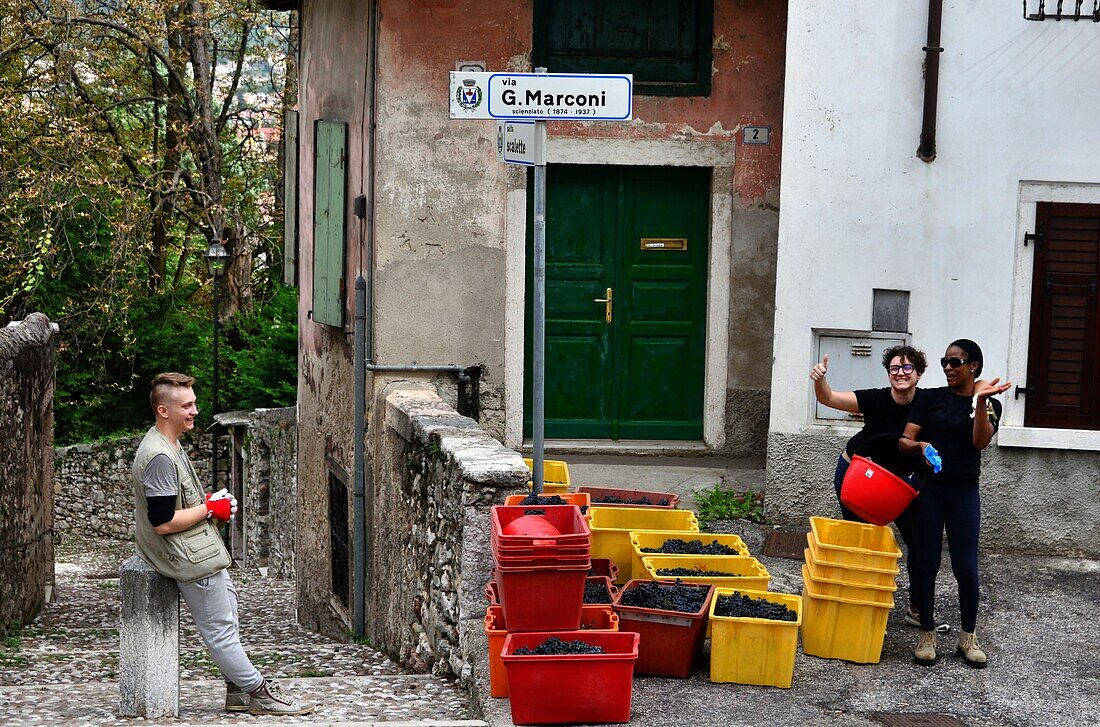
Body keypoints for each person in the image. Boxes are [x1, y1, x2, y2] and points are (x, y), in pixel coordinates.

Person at [131, 372, 314, 716]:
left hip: (201, 551)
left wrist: (207, 501)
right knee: (220, 632)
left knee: (228, 613)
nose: (195, 410)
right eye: (186, 405)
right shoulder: (158, 455)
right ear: (163, 410)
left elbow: (176, 504)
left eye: (194, 402)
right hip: (188, 558)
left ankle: (236, 691)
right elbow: (163, 522)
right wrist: (209, 508)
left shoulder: (170, 444)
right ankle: (260, 692)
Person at [809, 345, 947, 632]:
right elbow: (829, 398)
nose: (901, 373)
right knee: (863, 543)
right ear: (888, 373)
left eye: (908, 367)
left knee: (919, 543)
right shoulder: (875, 399)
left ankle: (917, 608)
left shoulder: (928, 402)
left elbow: (959, 403)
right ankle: (862, 610)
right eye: (895, 368)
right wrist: (820, 380)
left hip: (900, 483)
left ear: (919, 373)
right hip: (861, 474)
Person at [900, 340, 1011, 669]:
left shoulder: (989, 404)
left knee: (965, 566)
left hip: (964, 492)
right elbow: (904, 440)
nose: (948, 367)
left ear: (973, 365)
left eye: (955, 362)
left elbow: (980, 442)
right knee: (927, 562)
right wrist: (919, 446)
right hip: (930, 490)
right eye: (944, 361)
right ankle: (926, 634)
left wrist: (979, 401)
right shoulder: (931, 398)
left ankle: (968, 638)